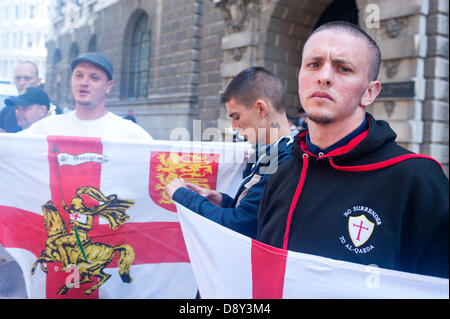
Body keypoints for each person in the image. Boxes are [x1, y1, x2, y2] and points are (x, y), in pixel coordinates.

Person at [257, 21, 449, 279]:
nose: (323, 76)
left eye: (343, 68)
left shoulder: (417, 179)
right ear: (300, 77)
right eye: (313, 64)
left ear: (370, 92)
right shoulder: (282, 174)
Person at [165, 67, 294, 238]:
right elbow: (255, 215)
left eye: (236, 117)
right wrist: (223, 201)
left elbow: (238, 225)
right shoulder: (273, 153)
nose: (233, 127)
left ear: (261, 109)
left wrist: (182, 196)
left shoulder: (285, 161)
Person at [19, 52, 153, 140]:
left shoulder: (130, 134)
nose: (84, 82)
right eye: (79, 76)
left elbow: (165, 175)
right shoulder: (46, 128)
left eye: (94, 78)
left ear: (108, 86)